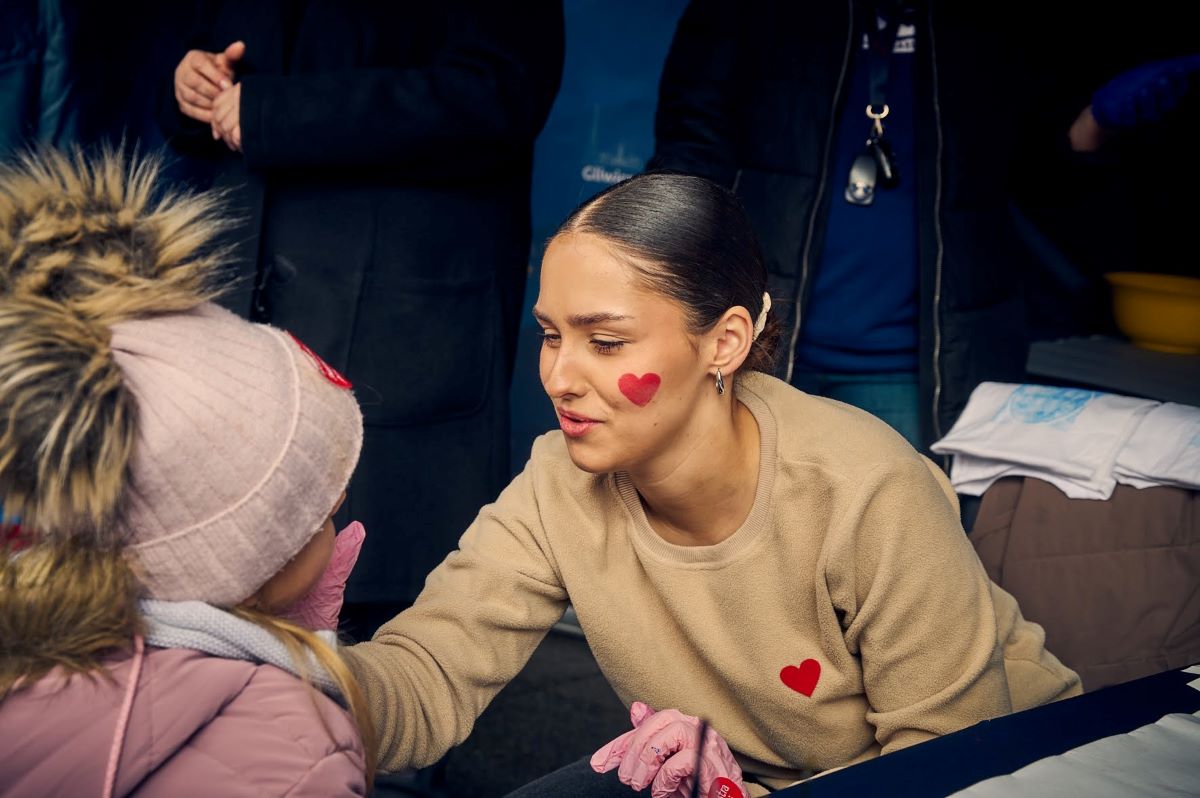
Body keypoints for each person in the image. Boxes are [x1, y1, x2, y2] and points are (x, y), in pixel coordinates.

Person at [341, 173, 1081, 797]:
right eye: (550, 334)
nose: (559, 378)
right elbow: (429, 672)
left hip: (1008, 773)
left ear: (723, 342)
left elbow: (947, 771)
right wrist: (289, 670)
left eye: (605, 342)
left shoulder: (867, 490)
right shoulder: (558, 479)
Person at [161, 1, 565, 611]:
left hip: (392, 311)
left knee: (370, 612)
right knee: (208, 586)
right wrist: (193, 80)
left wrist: (279, 113)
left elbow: (498, 93)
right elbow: (217, 44)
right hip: (242, 288)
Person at [0, 150, 374, 796]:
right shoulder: (298, 745)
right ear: (243, 573)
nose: (339, 497)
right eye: (315, 512)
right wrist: (308, 662)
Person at [645, 0, 1092, 453]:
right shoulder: (752, 14)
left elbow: (1040, 170)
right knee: (733, 520)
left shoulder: (992, 26)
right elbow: (688, 159)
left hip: (912, 370)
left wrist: (1099, 123)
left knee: (902, 520)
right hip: (753, 346)